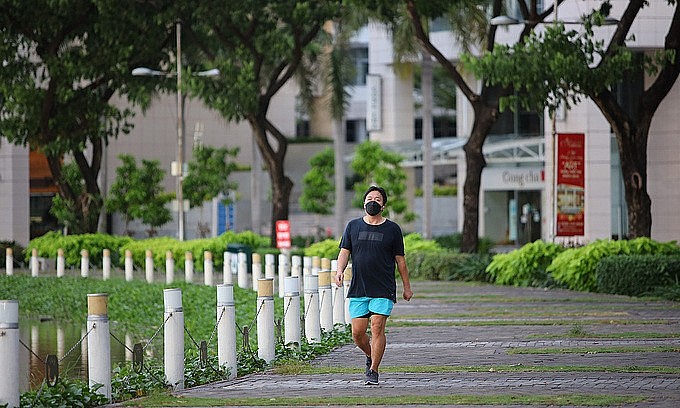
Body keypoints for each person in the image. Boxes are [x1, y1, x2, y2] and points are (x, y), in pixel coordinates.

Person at [334, 185, 413, 385]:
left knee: (377, 327)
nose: (373, 202)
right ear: (363, 203)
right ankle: (370, 356)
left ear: (383, 205)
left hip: (383, 288)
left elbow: (400, 260)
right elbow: (345, 251)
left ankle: (373, 370)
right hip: (359, 287)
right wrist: (339, 271)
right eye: (370, 198)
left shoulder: (392, 229)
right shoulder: (353, 226)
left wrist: (407, 287)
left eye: (378, 199)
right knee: (358, 334)